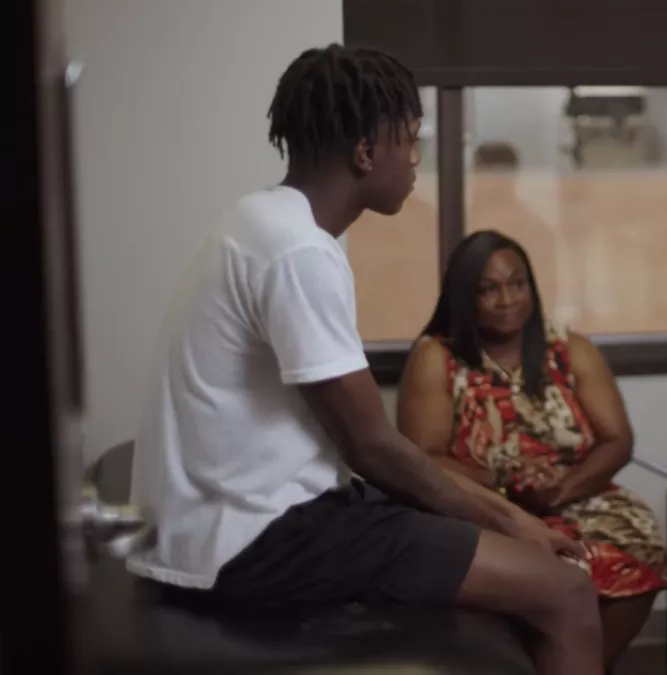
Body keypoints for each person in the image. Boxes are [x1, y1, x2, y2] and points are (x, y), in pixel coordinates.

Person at [125, 44, 603, 675]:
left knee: (512, 569)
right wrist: (519, 523)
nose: (414, 160)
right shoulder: (297, 251)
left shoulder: (262, 219)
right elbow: (370, 445)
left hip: (249, 518)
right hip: (253, 538)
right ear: (365, 152)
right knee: (566, 591)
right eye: (409, 141)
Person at [395, 229, 667, 668]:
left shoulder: (568, 347)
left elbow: (618, 440)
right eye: (489, 289)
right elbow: (423, 458)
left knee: (639, 541)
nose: (507, 299)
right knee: (556, 568)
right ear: (465, 296)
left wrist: (561, 490)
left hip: (575, 492)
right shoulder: (437, 357)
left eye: (517, 284)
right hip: (483, 503)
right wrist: (507, 480)